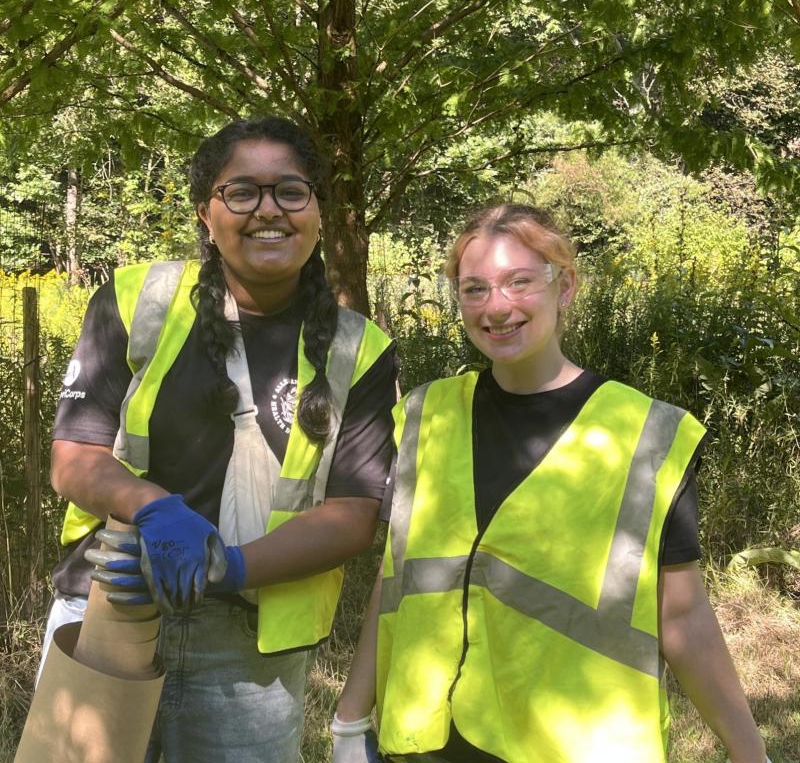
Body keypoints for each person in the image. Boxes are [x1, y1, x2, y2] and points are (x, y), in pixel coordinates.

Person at [331, 203, 769, 763]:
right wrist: (349, 719)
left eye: (519, 282)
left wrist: (750, 752)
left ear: (565, 288)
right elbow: (396, 580)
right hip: (430, 742)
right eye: (475, 289)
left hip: (579, 745)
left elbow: (681, 615)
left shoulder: (646, 435)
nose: (497, 307)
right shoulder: (426, 416)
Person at [43, 116, 397, 762]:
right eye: (242, 192)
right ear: (206, 213)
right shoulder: (137, 300)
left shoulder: (359, 350)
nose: (269, 210)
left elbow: (353, 518)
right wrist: (152, 507)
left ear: (318, 211)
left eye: (291, 191)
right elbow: (73, 459)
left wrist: (225, 569)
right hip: (108, 607)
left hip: (250, 653)